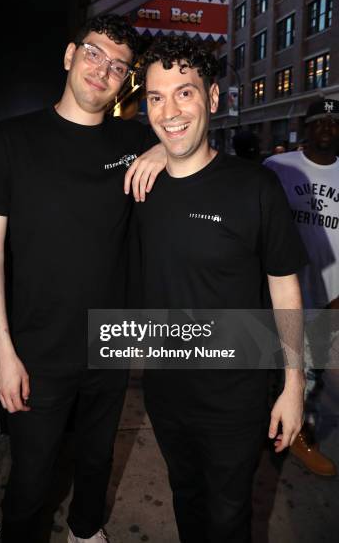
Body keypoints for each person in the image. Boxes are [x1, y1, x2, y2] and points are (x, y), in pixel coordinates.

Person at [0, 14, 166, 543]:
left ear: (125, 83)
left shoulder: (133, 140)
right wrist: (2, 351)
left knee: (98, 459)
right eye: (95, 54)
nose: (104, 70)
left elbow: (191, 156)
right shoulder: (13, 140)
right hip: (37, 348)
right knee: (30, 481)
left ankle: (86, 530)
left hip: (112, 340)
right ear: (69, 56)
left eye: (119, 66)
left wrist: (163, 149)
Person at [135, 35, 307, 543]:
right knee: (186, 498)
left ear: (212, 99)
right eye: (156, 97)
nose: (170, 110)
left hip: (236, 394)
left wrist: (294, 386)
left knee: (230, 515)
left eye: (185, 93)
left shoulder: (256, 187)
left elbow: (285, 289)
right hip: (165, 389)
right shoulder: (138, 186)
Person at [264, 98, 339, 477]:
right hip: (274, 292)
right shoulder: (278, 167)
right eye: (319, 121)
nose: (327, 127)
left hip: (326, 296)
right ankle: (266, 428)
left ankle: (298, 436)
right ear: (305, 127)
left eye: (333, 122)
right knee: (264, 366)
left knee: (310, 376)